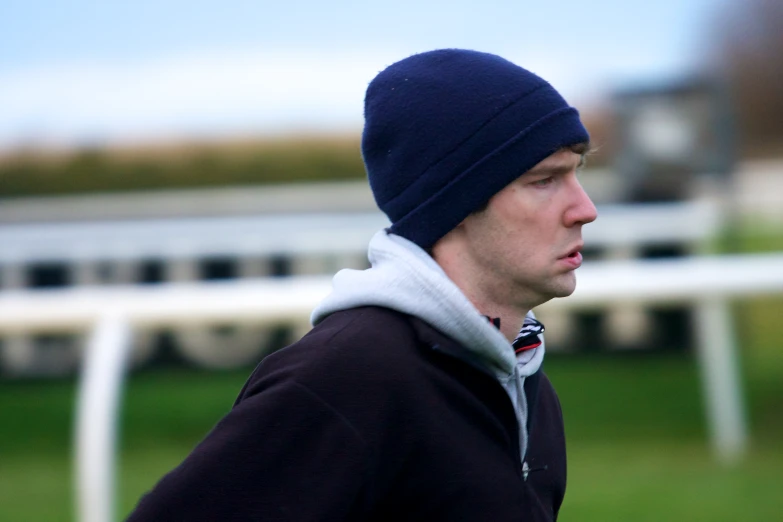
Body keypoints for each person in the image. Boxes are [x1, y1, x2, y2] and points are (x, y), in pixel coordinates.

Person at [128, 48, 597, 521]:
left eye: (577, 172)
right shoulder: (349, 373)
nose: (585, 209)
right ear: (455, 201)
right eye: (544, 179)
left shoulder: (521, 375)